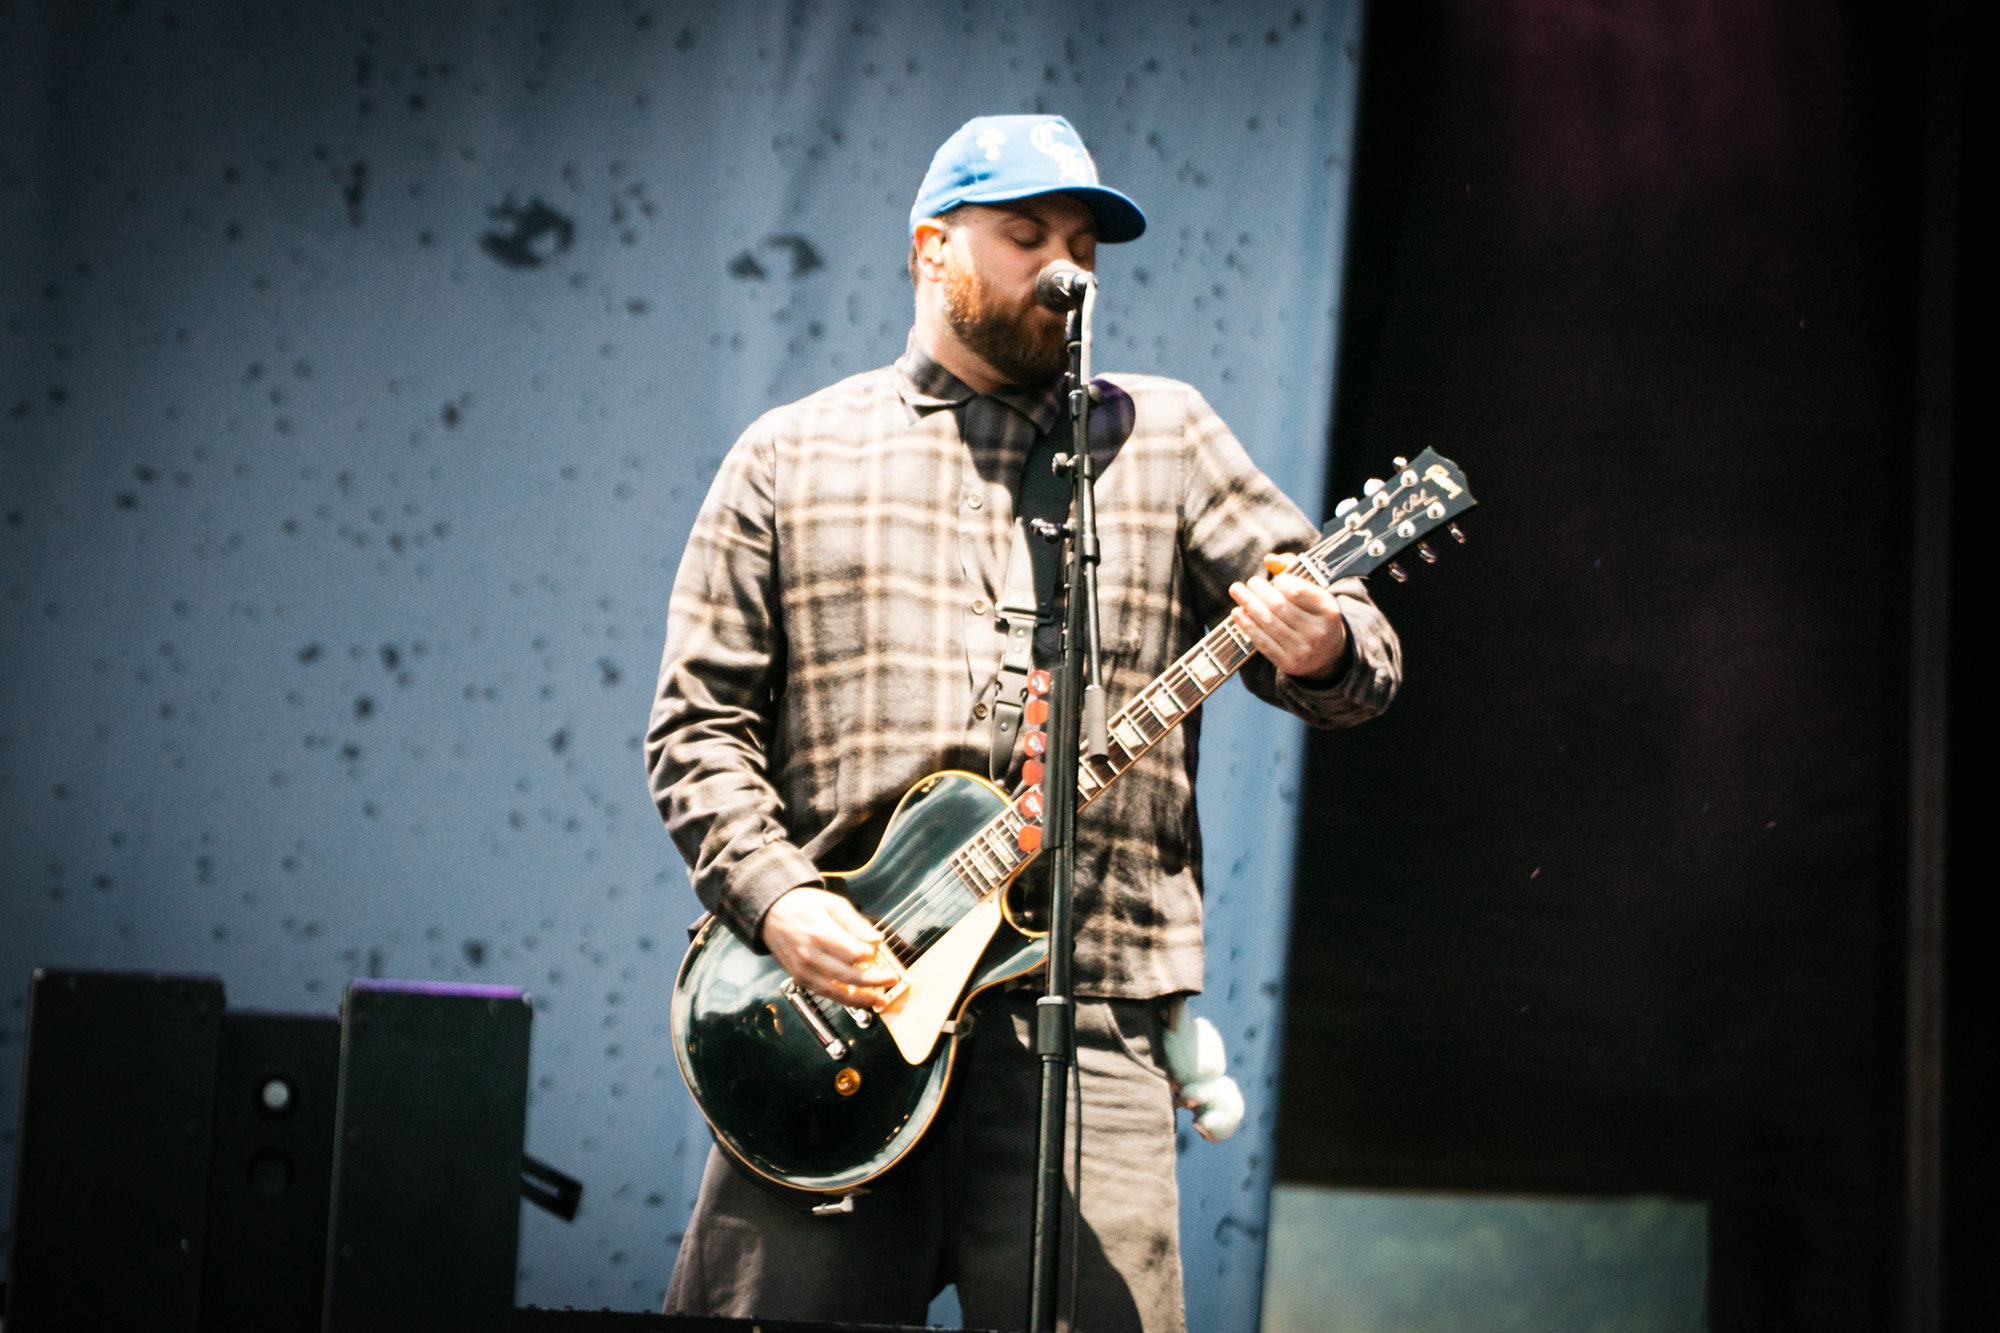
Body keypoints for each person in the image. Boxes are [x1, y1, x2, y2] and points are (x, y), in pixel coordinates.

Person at [647, 114, 1401, 1332]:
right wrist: (779, 901)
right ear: (928, 249)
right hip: (831, 1012)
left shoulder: (1163, 437)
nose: (1065, 266)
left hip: (1089, 1022)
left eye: (1082, 245)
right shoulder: (789, 455)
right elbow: (696, 729)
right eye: (1025, 235)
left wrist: (1323, 645)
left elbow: (1358, 649)